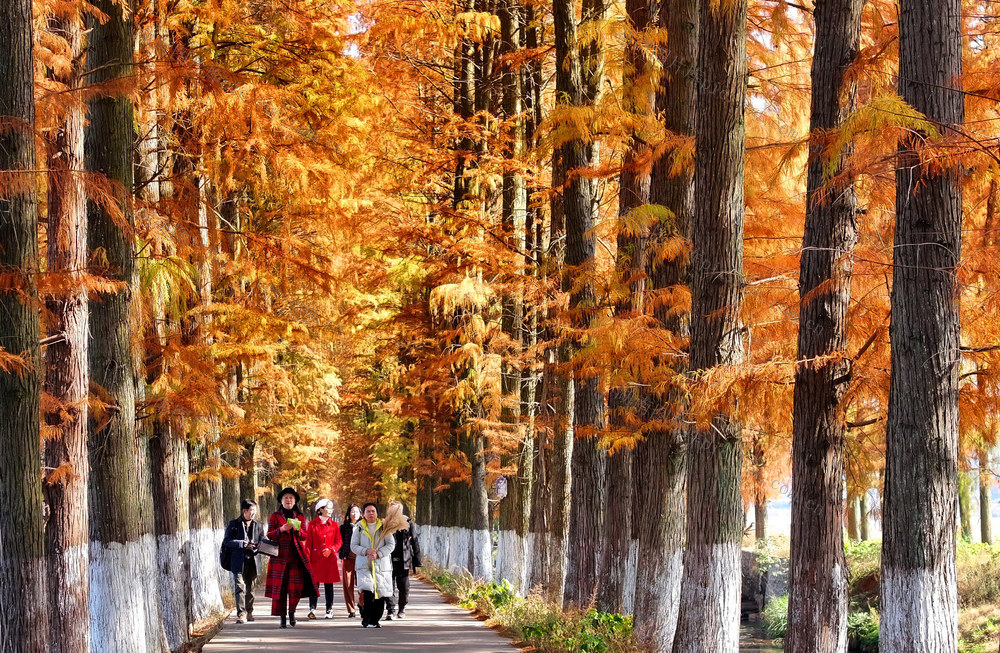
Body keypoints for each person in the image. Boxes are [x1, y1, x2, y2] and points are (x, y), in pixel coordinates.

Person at [265, 487, 318, 628]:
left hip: (296, 558)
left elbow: (304, 536)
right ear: (281, 501)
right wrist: (281, 529)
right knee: (280, 589)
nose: (288, 500)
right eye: (286, 498)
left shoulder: (299, 517)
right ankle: (282, 617)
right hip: (279, 557)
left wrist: (296, 529)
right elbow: (269, 535)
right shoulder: (275, 516)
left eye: (291, 498)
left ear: (294, 501)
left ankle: (292, 613)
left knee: (295, 588)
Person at [350, 503, 395, 628]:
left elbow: (391, 545)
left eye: (373, 511)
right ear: (363, 514)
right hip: (365, 564)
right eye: (368, 511)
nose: (371, 513)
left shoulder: (384, 527)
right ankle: (367, 617)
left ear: (377, 513)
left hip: (381, 566)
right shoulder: (358, 528)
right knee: (368, 590)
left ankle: (376, 619)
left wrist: (379, 553)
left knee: (380, 593)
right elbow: (353, 546)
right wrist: (366, 551)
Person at [221, 499, 263, 623]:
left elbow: (262, 541)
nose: (253, 513)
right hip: (238, 560)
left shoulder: (259, 525)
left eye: (255, 510)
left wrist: (256, 546)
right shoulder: (233, 524)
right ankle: (241, 613)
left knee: (251, 587)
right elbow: (226, 541)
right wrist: (241, 544)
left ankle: (249, 611)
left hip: (253, 559)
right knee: (239, 586)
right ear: (244, 511)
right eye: (251, 510)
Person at [384, 500, 421, 620]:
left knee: (404, 587)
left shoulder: (408, 522)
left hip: (404, 559)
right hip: (388, 559)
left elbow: (414, 541)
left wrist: (417, 560)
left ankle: (402, 608)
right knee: (389, 586)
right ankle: (390, 610)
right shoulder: (385, 523)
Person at [306, 498, 342, 619]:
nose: (330, 510)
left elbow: (339, 542)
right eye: (328, 508)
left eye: (331, 508)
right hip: (315, 559)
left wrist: (331, 550)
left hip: (329, 559)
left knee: (328, 585)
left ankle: (329, 609)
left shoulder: (334, 525)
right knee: (314, 585)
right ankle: (312, 608)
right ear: (320, 510)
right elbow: (308, 544)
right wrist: (307, 560)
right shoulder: (312, 525)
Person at [338, 504, 362, 618]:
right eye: (352, 512)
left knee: (363, 583)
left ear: (360, 514)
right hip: (348, 558)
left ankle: (362, 604)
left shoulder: (364, 527)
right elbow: (340, 542)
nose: (354, 514)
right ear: (349, 514)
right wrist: (342, 553)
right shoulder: (343, 528)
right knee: (348, 584)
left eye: (357, 511)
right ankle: (351, 609)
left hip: (361, 558)